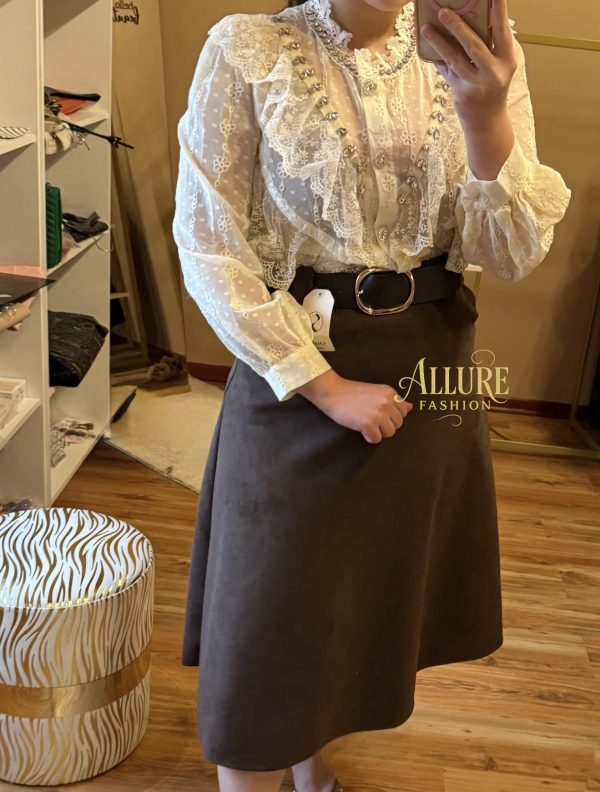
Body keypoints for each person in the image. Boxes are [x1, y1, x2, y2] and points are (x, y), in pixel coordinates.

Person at [172, 1, 572, 790]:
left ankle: (315, 773)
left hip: (429, 372)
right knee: (268, 621)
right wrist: (322, 387)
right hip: (297, 368)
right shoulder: (250, 49)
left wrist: (485, 114)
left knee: (353, 610)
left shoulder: (479, 55)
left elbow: (509, 251)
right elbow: (208, 242)